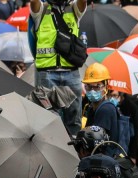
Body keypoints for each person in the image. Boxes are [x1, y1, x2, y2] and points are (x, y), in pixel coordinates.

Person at [30, 0, 87, 136]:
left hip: (70, 72)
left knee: (73, 119)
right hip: (47, 73)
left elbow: (83, 2)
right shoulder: (41, 10)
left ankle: (73, 147)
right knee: (46, 118)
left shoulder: (73, 9)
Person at [82, 64, 119, 142]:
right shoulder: (92, 108)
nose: (92, 91)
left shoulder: (106, 110)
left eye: (96, 86)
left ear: (106, 87)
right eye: (88, 86)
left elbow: (97, 142)